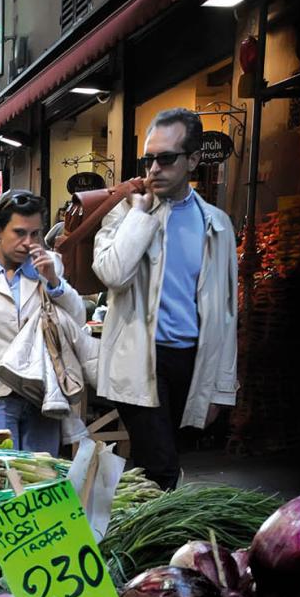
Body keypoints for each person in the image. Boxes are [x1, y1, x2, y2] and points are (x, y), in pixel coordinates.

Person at [92, 108, 238, 489]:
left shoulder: (217, 224)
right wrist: (140, 216)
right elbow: (112, 273)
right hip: (141, 356)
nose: (154, 168)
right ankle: (166, 536)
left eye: (166, 158)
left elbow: (225, 312)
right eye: (148, 158)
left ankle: (135, 534)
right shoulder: (125, 210)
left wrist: (223, 386)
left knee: (158, 462)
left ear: (192, 160)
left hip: (192, 360)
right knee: (162, 466)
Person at [0, 189, 85, 451]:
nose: (28, 242)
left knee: (41, 479)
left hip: (42, 395)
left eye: (35, 234)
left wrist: (54, 281)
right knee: (1, 482)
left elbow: (77, 319)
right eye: (19, 233)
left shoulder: (48, 264)